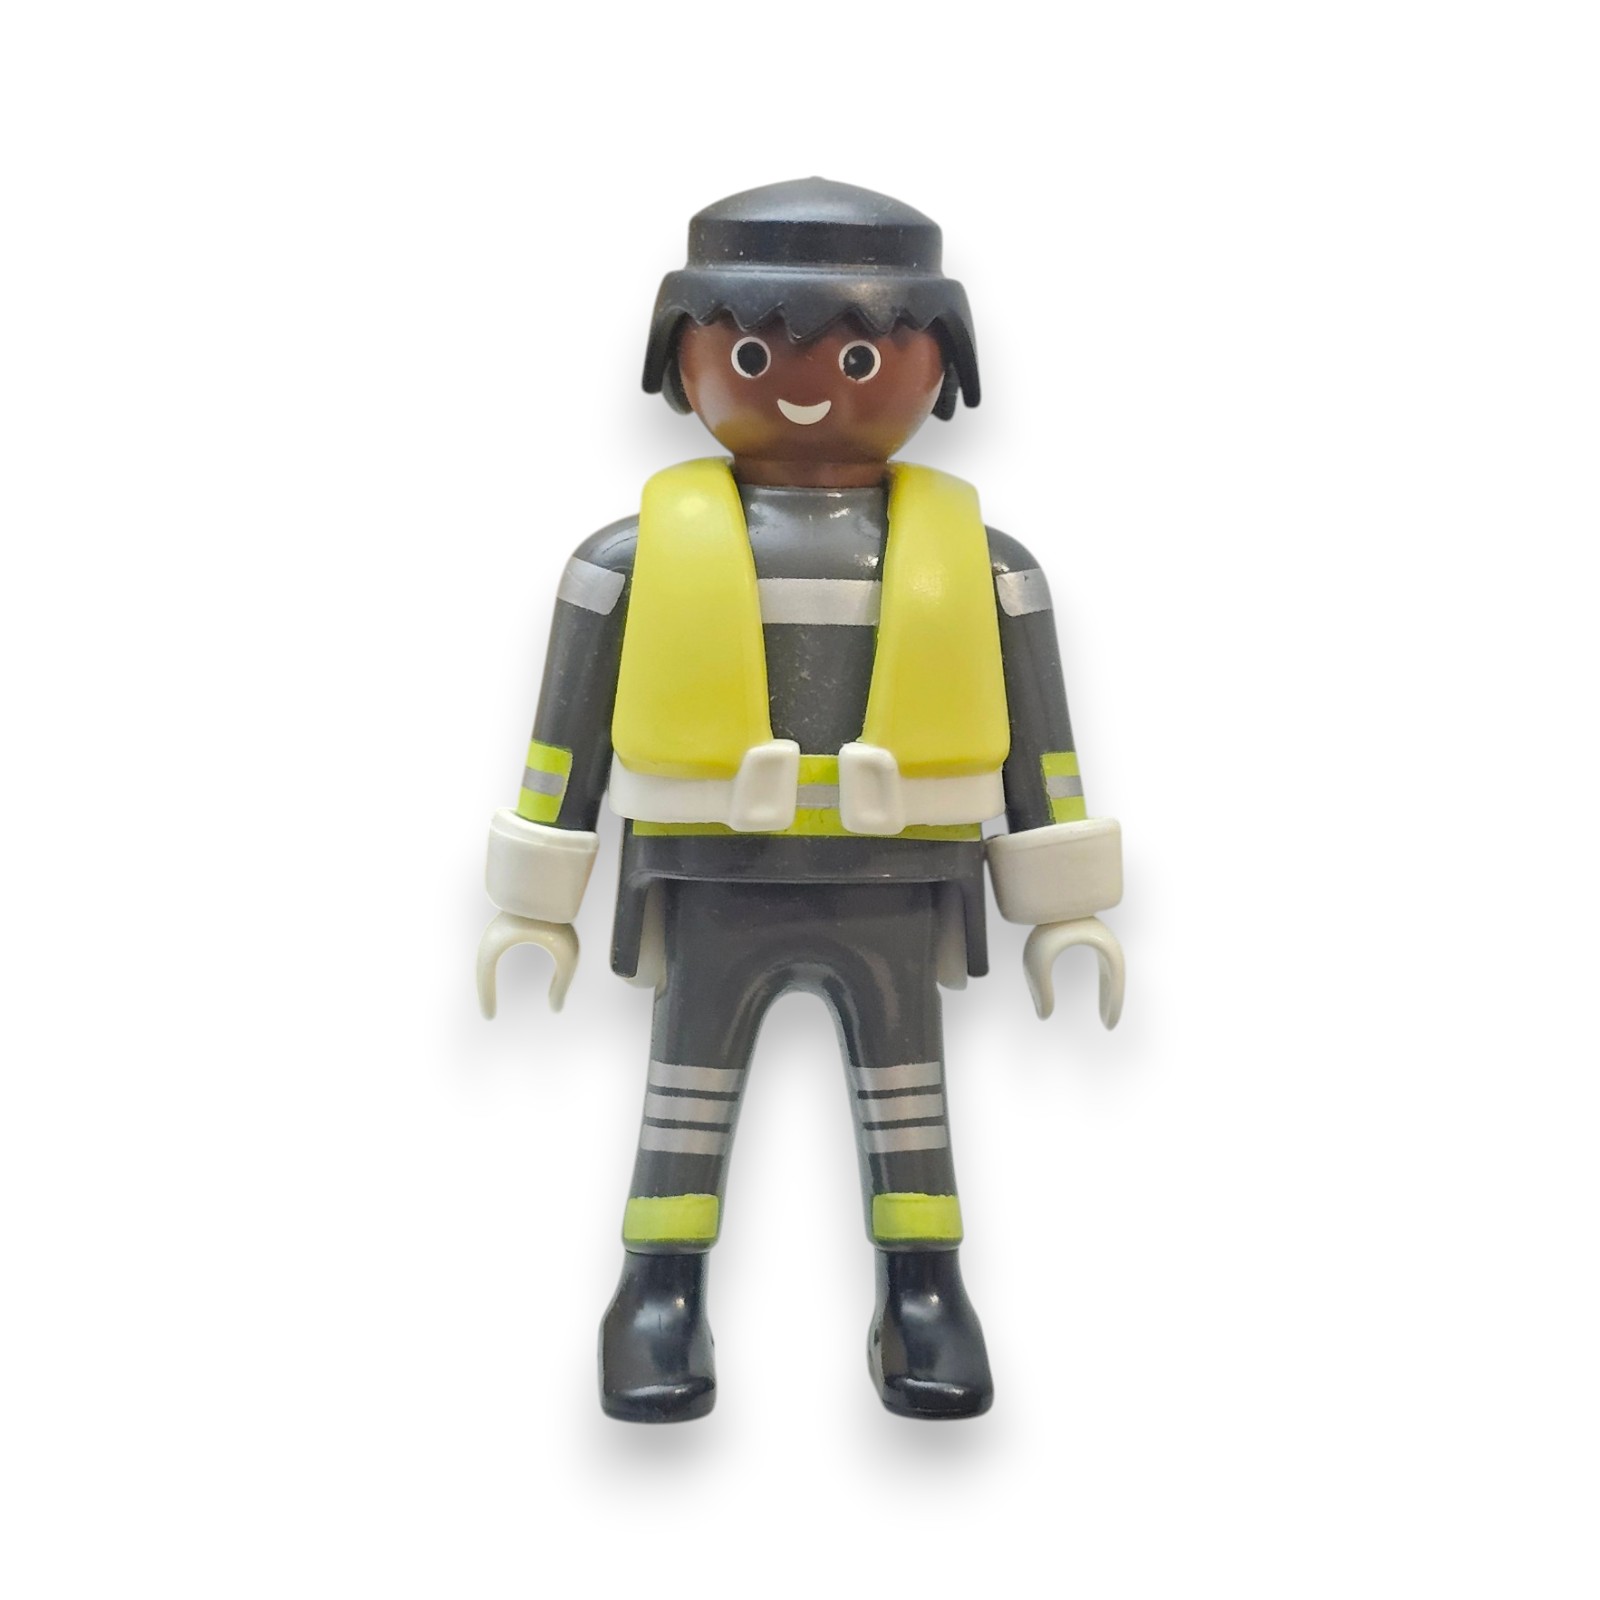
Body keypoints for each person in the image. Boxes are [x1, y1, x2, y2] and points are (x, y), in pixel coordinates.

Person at [478, 177, 1126, 1422]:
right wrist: (535, 894)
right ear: (686, 359)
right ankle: (657, 1290)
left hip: (898, 878)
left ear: (935, 366)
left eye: (862, 353)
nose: (808, 384)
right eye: (755, 350)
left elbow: (1045, 750)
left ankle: (923, 1289)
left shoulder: (988, 568)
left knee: (907, 1096)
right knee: (687, 1089)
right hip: (712, 872)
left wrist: (1065, 901)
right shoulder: (621, 562)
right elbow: (562, 741)